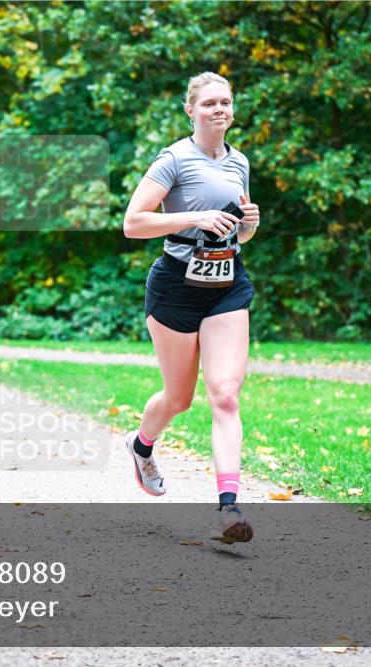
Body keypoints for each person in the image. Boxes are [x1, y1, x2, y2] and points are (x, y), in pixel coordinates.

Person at [122, 72, 261, 542]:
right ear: (191, 110)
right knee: (179, 398)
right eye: (209, 103)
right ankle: (141, 446)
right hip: (175, 288)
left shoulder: (239, 161)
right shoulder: (174, 159)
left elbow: (235, 229)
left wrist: (248, 228)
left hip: (227, 285)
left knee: (224, 394)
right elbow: (133, 223)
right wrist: (193, 216)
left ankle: (229, 510)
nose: (219, 109)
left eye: (225, 102)